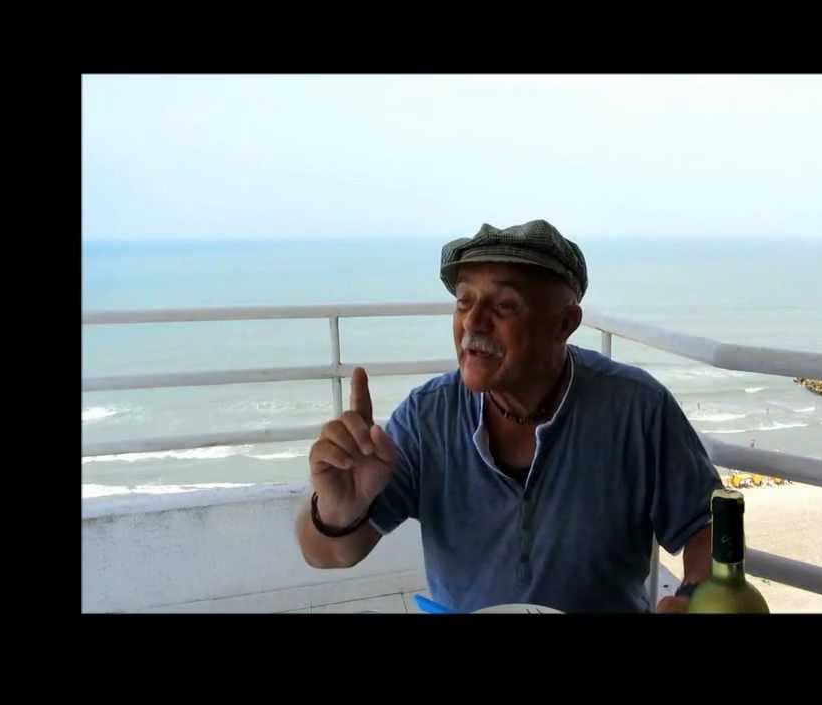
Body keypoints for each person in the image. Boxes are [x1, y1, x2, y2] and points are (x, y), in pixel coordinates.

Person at [295, 220, 722, 613]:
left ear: (564, 323)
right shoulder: (428, 416)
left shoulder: (636, 408)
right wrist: (335, 510)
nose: (473, 322)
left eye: (503, 305)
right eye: (464, 301)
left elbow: (709, 524)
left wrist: (693, 596)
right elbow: (329, 554)